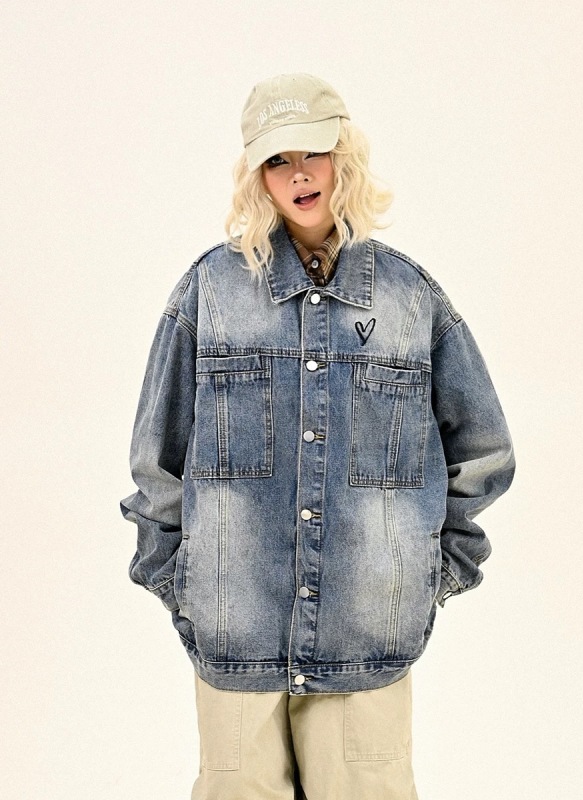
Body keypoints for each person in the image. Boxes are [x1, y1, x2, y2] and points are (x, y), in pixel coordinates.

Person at [120, 73, 516, 800]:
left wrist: (429, 577)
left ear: (344, 156)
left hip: (368, 638)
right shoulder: (210, 293)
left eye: (313, 153)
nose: (298, 174)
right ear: (256, 176)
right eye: (277, 160)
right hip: (234, 635)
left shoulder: (409, 300)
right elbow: (156, 460)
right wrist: (181, 585)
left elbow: (484, 453)